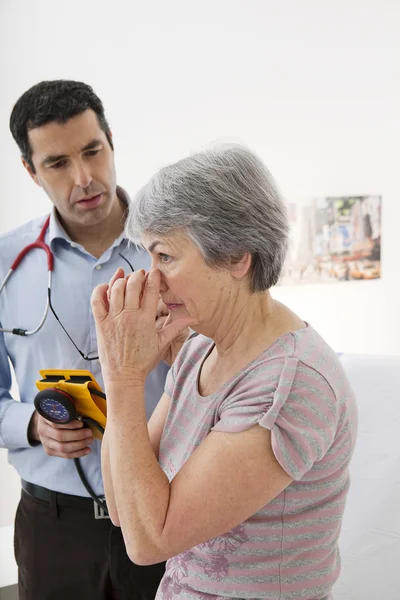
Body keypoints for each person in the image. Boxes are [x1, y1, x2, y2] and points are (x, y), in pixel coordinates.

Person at [92, 144, 358, 600]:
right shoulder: (199, 350)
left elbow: (148, 540)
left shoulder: (288, 383)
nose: (150, 280)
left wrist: (123, 379)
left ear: (237, 257)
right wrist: (124, 371)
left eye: (166, 257)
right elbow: (121, 505)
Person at [0, 80, 170, 600]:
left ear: (112, 141)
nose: (84, 178)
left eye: (93, 151)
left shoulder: (176, 250)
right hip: (54, 526)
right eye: (57, 163)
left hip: (167, 513)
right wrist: (28, 424)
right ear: (30, 170)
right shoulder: (5, 264)